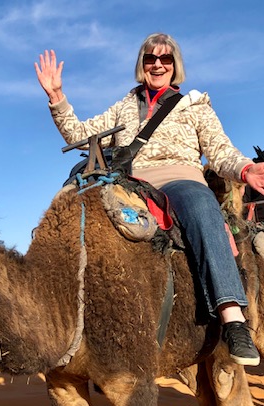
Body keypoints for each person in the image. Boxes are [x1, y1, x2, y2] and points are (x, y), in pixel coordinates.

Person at [35, 33, 264, 366]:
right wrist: (57, 97)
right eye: (150, 59)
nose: (158, 64)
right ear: (141, 65)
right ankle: (55, 300)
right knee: (75, 199)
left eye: (165, 59)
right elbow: (80, 135)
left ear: (175, 66)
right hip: (129, 180)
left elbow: (220, 152)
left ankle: (232, 318)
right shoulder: (125, 106)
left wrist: (244, 169)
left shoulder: (195, 107)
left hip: (179, 178)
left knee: (202, 208)